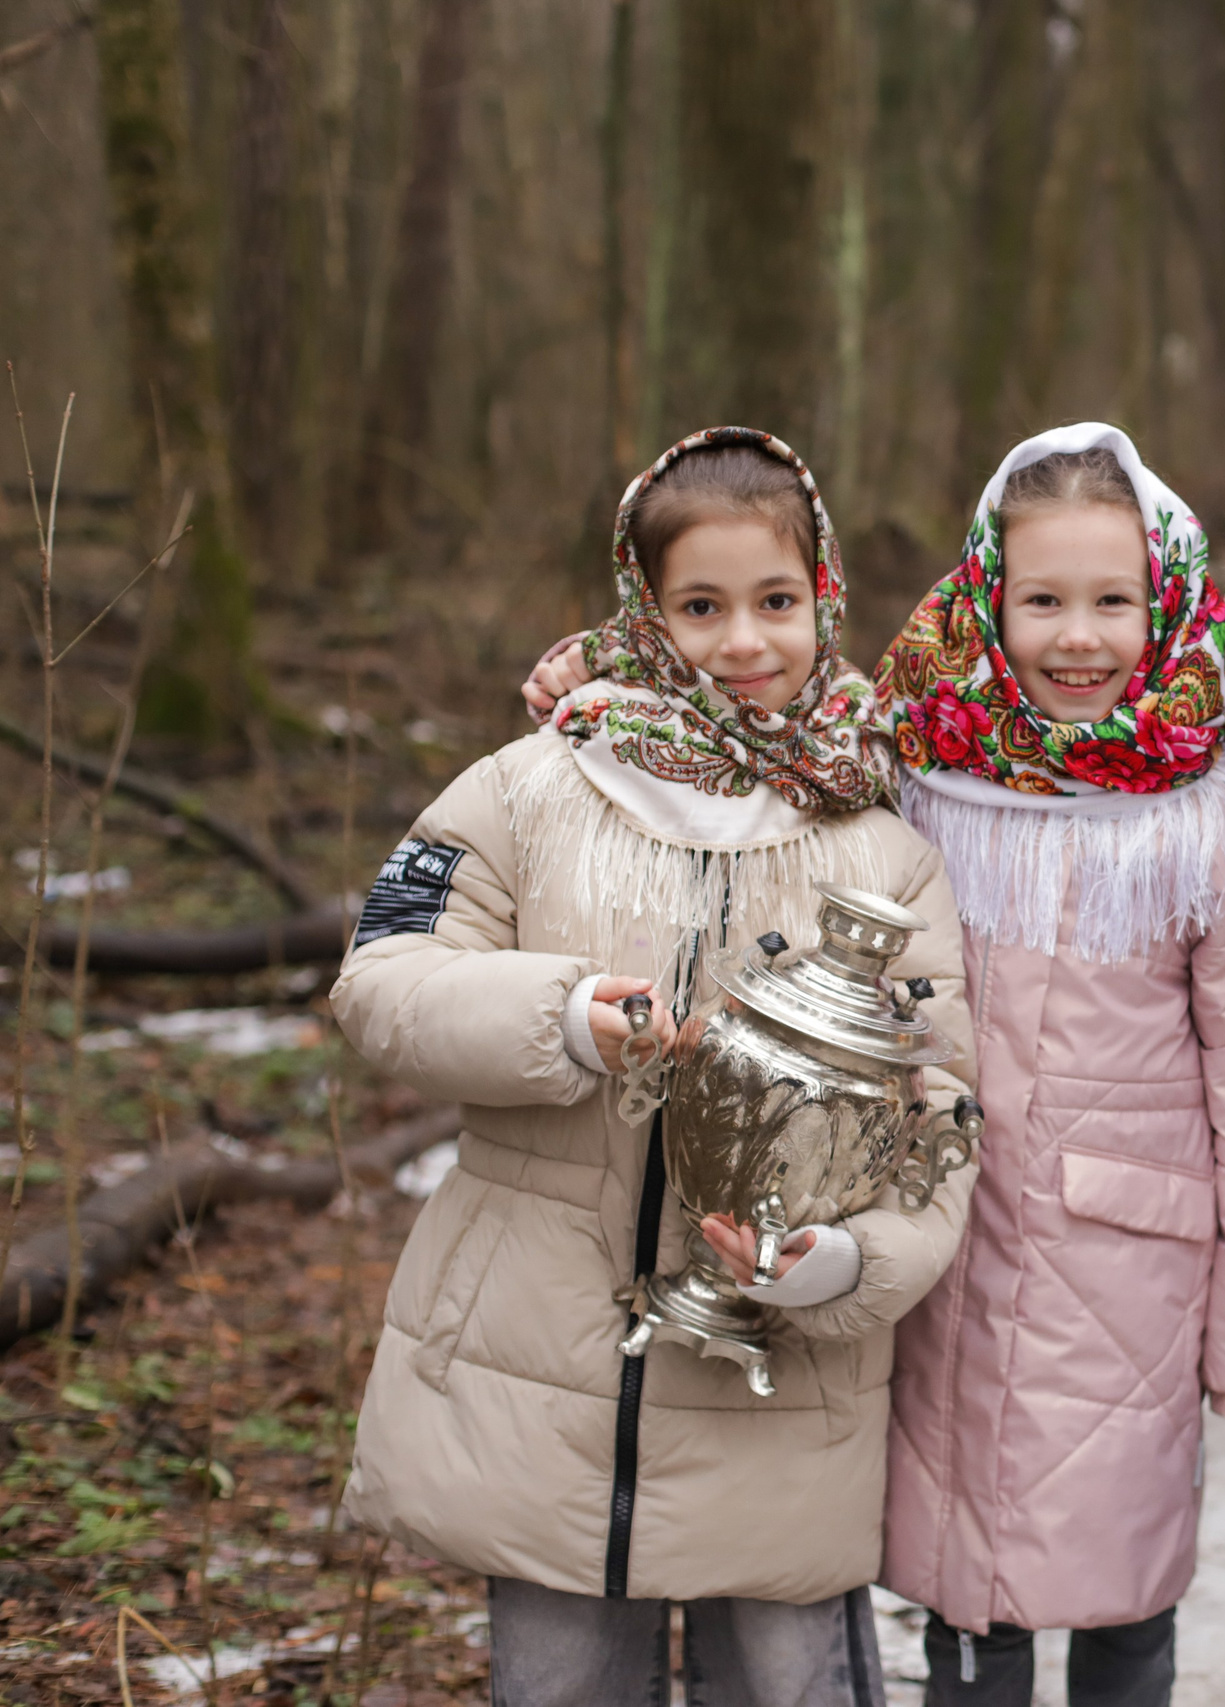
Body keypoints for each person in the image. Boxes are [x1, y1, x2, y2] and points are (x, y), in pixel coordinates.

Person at [335, 428, 976, 1707]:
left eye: (776, 603)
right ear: (642, 608)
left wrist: (847, 1266)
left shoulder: (879, 839)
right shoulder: (526, 789)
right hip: (545, 1378)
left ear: (824, 599)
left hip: (781, 1386)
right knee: (563, 1684)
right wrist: (561, 1017)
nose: (745, 643)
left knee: (788, 1685)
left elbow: (939, 1106)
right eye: (701, 607)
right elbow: (380, 985)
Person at [870, 423, 1225, 1705]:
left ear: (1164, 603)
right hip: (947, 1245)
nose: (1078, 638)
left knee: (1123, 1590)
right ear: (989, 603)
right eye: (1041, 601)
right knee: (963, 1596)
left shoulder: (1202, 819)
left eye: (1115, 602)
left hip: (1133, 1271)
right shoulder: (918, 780)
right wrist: (588, 680)